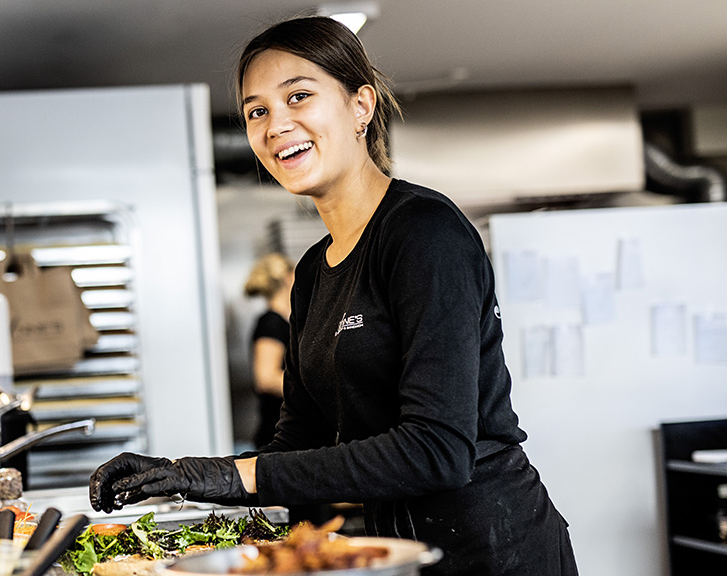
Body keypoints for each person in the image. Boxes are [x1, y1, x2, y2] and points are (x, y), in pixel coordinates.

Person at [89, 16, 578, 576]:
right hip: (399, 546)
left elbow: (437, 450)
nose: (276, 125)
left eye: (299, 96)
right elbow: (300, 441)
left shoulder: (424, 233)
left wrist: (225, 476)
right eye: (257, 111)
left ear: (360, 107)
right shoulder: (313, 273)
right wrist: (186, 475)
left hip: (495, 548)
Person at [243, 253, 294, 449]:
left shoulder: (284, 322)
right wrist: (311, 389)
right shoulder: (271, 322)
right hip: (275, 432)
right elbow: (266, 378)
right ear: (288, 278)